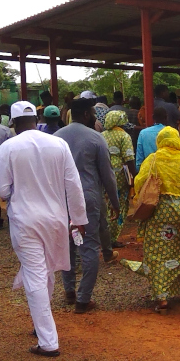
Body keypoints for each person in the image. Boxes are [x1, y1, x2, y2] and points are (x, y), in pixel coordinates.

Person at [0, 101, 87, 357]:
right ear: (37, 119)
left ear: (12, 123)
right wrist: (79, 219)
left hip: (25, 220)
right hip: (56, 219)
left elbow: (1, 190)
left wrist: (17, 191)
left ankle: (48, 342)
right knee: (45, 271)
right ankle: (40, 325)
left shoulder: (7, 148)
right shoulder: (59, 144)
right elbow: (73, 184)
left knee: (35, 273)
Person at [122, 127, 180, 313]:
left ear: (160, 141)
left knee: (159, 252)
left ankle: (162, 298)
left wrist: (138, 197)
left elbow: (140, 181)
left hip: (161, 213)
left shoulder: (153, 159)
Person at [54, 97, 120, 312]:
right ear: (85, 115)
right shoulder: (96, 138)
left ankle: (69, 291)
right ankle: (83, 299)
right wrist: (115, 202)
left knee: (68, 246)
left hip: (62, 199)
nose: (94, 116)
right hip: (87, 198)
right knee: (88, 247)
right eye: (92, 113)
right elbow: (107, 176)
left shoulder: (55, 138)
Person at [101, 110, 135, 253]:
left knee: (105, 203)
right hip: (119, 173)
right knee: (119, 203)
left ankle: (102, 236)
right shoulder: (124, 136)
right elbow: (129, 158)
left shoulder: (101, 136)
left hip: (103, 170)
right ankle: (112, 237)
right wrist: (134, 176)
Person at [136, 106, 168, 170]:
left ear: (153, 117)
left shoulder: (143, 133)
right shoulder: (172, 132)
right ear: (166, 117)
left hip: (149, 171)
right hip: (168, 172)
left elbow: (139, 160)